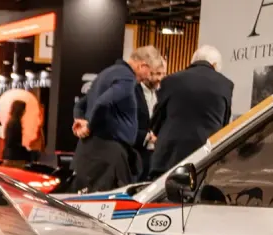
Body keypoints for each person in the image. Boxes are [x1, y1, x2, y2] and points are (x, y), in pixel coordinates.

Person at [70, 45, 162, 193]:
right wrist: (89, 126)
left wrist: (79, 121)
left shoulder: (107, 73)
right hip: (107, 159)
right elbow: (103, 103)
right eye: (150, 72)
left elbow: (81, 104)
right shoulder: (127, 78)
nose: (147, 77)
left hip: (90, 153)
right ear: (142, 66)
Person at [150, 46, 234, 178]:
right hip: (204, 159)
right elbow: (224, 124)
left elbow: (156, 121)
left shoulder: (170, 80)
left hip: (169, 157)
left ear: (193, 61)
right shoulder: (225, 85)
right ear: (214, 65)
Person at [135, 55, 167, 180]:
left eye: (163, 74)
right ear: (147, 71)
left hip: (156, 159)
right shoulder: (132, 91)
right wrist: (147, 137)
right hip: (136, 157)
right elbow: (123, 125)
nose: (161, 78)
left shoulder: (162, 94)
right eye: (158, 73)